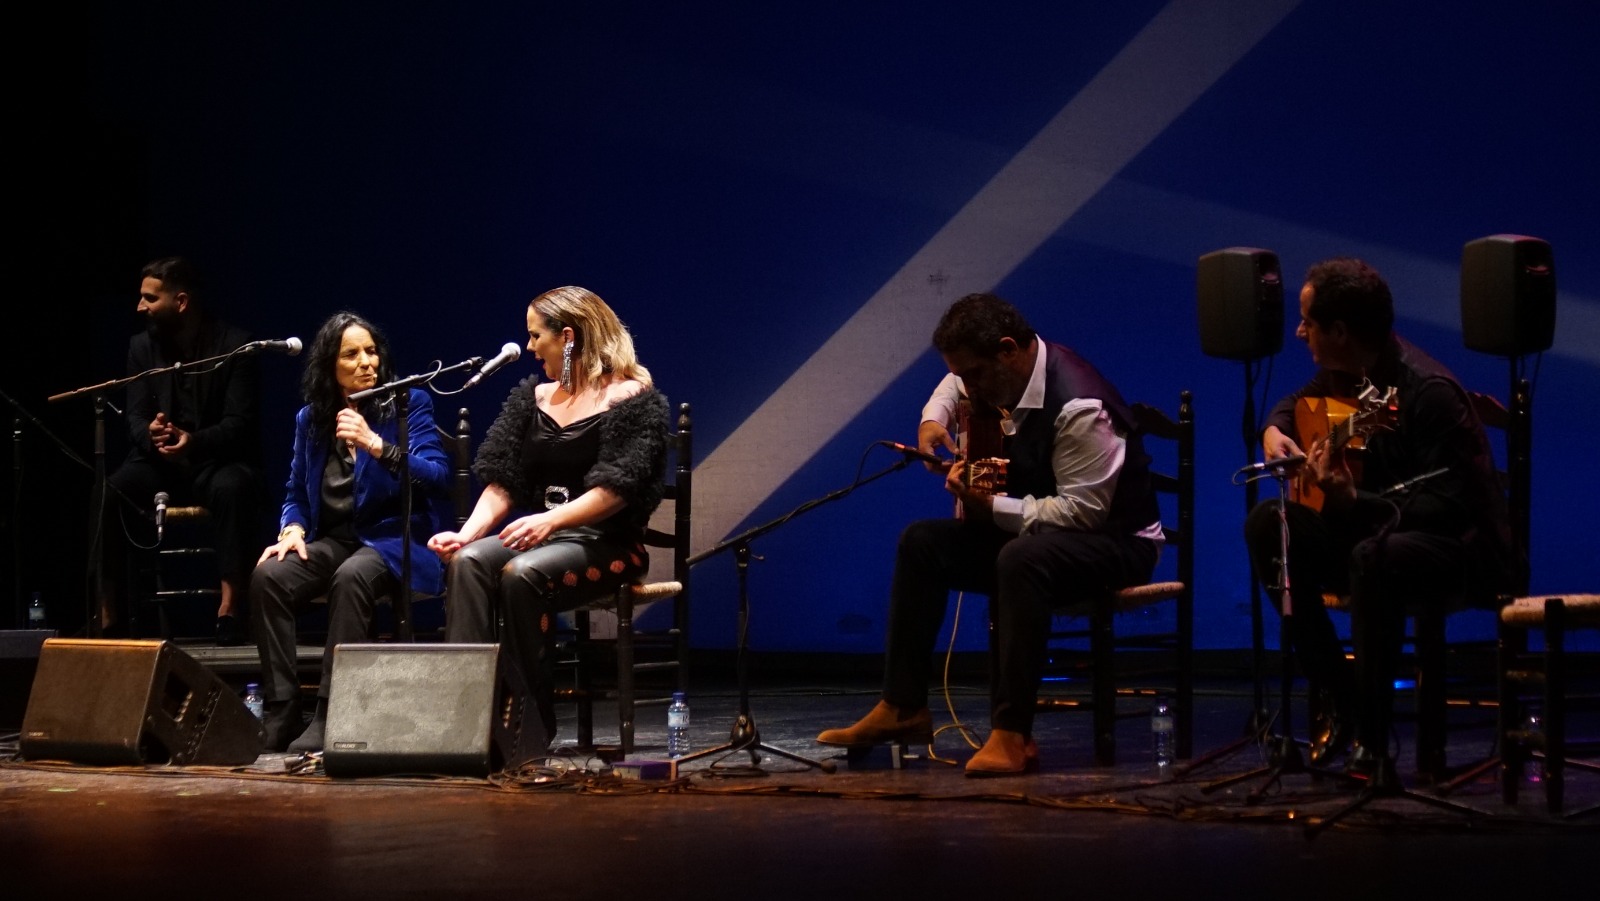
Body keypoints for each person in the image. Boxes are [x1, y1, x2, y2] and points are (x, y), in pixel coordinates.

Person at [816, 292, 1164, 776]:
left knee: (1020, 559)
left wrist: (992, 507)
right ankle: (903, 707)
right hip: (1047, 535)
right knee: (922, 543)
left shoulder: (1080, 405)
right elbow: (952, 383)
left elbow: (1083, 513)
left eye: (974, 374)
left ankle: (1013, 734)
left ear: (1008, 350)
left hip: (1118, 542)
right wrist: (932, 419)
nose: (967, 387)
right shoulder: (998, 371)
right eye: (963, 376)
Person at [1243, 257, 1514, 781]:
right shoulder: (1355, 372)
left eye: (1308, 322)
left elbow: (1450, 506)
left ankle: (1372, 738)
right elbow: (1298, 401)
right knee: (1268, 524)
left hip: (1458, 549)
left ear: (1340, 331)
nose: (1299, 332)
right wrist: (1274, 430)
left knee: (1374, 557)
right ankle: (1339, 692)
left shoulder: (1427, 391)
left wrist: (1351, 501)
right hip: (1379, 537)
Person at [431, 286, 668, 745]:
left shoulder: (630, 395)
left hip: (606, 543)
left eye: (536, 335)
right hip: (545, 539)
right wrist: (468, 534)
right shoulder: (533, 398)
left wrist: (551, 521)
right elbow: (502, 481)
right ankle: (464, 719)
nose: (530, 346)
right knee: (468, 562)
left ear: (568, 337)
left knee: (521, 574)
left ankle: (527, 726)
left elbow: (618, 488)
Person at [250, 311, 455, 752]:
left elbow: (439, 477)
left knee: (352, 577)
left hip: (394, 540)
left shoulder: (407, 404)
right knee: (269, 578)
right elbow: (295, 490)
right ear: (331, 367)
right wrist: (293, 528)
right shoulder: (313, 419)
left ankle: (333, 709)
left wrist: (377, 446)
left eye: (371, 351)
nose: (367, 361)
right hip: (335, 539)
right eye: (351, 354)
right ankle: (283, 709)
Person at [97, 256, 265, 644]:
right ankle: (108, 613)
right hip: (160, 463)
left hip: (214, 460)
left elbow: (239, 423)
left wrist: (194, 440)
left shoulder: (235, 346)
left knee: (234, 488)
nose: (140, 307)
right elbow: (136, 416)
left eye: (149, 299)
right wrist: (153, 435)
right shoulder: (142, 347)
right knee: (106, 492)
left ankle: (230, 609)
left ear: (182, 301)